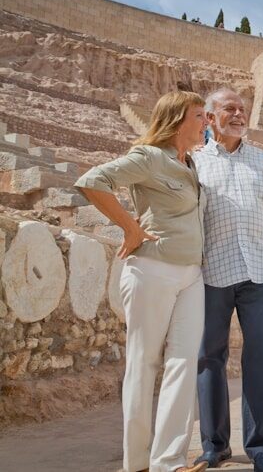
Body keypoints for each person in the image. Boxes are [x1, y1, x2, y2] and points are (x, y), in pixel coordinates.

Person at [74, 91, 209, 472]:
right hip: (152, 270)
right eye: (199, 116)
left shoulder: (192, 164)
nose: (205, 122)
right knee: (144, 363)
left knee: (183, 363)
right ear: (179, 119)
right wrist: (130, 228)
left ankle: (170, 462)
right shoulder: (149, 157)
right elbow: (92, 181)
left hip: (191, 276)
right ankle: (136, 463)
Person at [193, 88, 263, 472]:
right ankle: (214, 445)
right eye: (229, 108)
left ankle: (261, 447)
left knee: (262, 355)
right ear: (209, 116)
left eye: (242, 109)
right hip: (211, 271)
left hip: (259, 269)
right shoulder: (195, 161)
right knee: (209, 358)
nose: (238, 114)